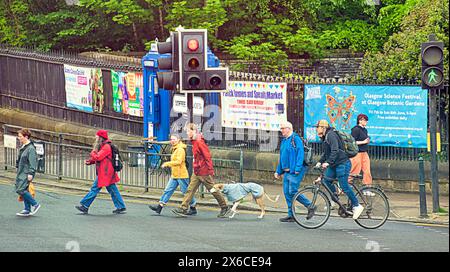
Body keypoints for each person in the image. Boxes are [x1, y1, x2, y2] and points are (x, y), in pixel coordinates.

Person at [172, 123, 231, 218]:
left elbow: (207, 156)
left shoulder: (199, 141)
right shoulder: (194, 141)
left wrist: (210, 170)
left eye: (188, 131)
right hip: (197, 171)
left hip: (203, 171)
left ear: (193, 131)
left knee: (212, 189)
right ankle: (183, 208)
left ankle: (224, 207)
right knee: (190, 190)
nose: (187, 133)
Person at [314, 120, 364, 220]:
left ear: (323, 127)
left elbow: (335, 150)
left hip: (342, 163)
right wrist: (320, 162)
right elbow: (326, 153)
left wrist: (328, 162)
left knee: (344, 185)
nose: (316, 129)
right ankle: (334, 198)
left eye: (318, 127)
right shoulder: (325, 137)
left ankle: (357, 205)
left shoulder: (331, 135)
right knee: (326, 180)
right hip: (334, 164)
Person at [75, 130, 126, 214]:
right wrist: (91, 161)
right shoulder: (104, 146)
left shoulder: (106, 147)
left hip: (105, 173)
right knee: (112, 190)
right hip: (107, 172)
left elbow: (98, 157)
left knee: (95, 188)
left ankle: (85, 205)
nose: (95, 137)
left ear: (100, 137)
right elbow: (101, 159)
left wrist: (93, 152)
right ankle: (121, 206)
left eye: (97, 136)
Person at [274, 121, 313, 222]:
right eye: (281, 128)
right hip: (287, 171)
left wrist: (297, 168)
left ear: (289, 128)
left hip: (295, 171)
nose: (281, 130)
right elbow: (282, 157)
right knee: (287, 192)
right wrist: (278, 171)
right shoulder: (284, 141)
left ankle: (310, 205)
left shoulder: (296, 139)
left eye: (283, 128)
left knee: (292, 191)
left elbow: (300, 154)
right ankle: (291, 215)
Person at [149, 134, 197, 215]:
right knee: (168, 190)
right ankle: (159, 207)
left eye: (174, 139)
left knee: (186, 192)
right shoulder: (174, 148)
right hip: (175, 174)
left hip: (181, 175)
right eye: (171, 139)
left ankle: (193, 207)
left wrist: (167, 163)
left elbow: (179, 162)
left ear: (178, 140)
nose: (172, 141)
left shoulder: (180, 149)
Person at [15, 128, 41, 217]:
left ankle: (35, 204)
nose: (19, 138)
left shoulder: (31, 148)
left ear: (26, 137)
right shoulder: (24, 147)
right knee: (24, 189)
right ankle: (27, 209)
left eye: (20, 136)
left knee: (20, 189)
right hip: (22, 171)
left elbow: (33, 162)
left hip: (26, 173)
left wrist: (31, 173)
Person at [349, 114, 373, 188]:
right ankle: (344, 185)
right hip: (357, 153)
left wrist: (366, 141)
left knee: (367, 171)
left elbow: (364, 140)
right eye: (364, 120)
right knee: (354, 171)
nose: (366, 121)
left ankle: (367, 187)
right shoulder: (355, 129)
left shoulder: (365, 130)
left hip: (364, 153)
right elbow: (352, 142)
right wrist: (363, 142)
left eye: (366, 120)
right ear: (359, 120)